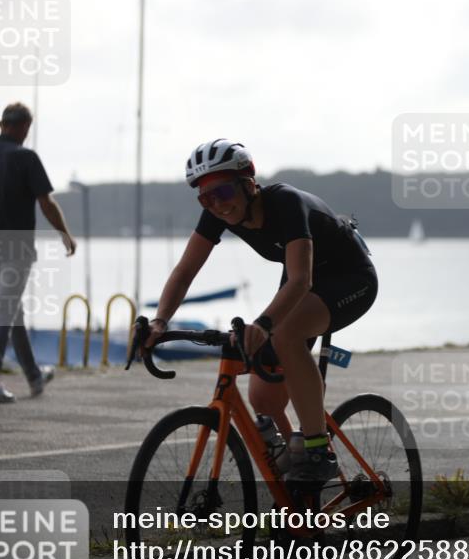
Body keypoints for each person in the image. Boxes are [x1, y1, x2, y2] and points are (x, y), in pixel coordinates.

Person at [144, 139, 377, 483]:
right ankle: (294, 459)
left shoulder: (286, 203)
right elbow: (184, 272)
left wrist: (265, 323)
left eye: (222, 193)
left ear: (248, 183)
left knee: (285, 334)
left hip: (349, 277)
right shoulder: (216, 213)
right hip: (305, 282)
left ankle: (317, 450)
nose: (217, 205)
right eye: (205, 198)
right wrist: (159, 322)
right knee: (263, 398)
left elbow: (300, 280)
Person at [0, 102, 77, 403]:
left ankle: (35, 377)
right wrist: (64, 233)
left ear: (2, 124)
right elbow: (46, 202)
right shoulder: (25, 157)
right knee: (7, 308)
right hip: (17, 247)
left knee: (13, 310)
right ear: (24, 127)